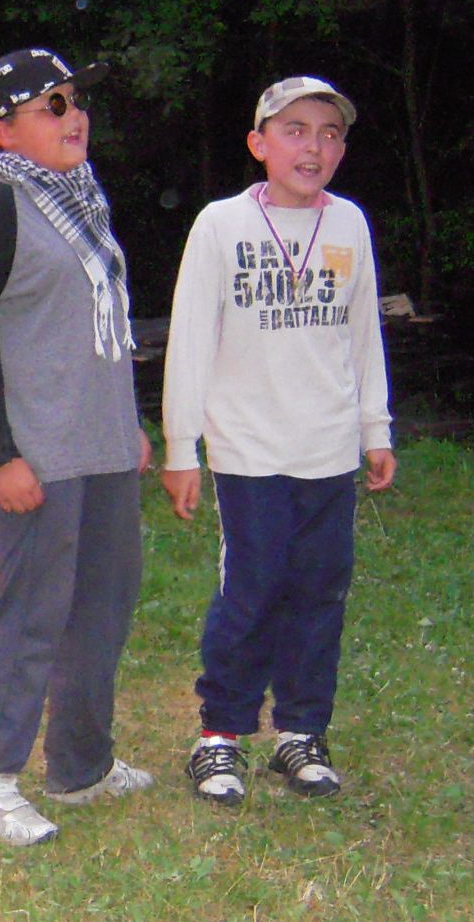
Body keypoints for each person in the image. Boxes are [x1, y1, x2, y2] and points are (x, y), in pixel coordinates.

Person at [0, 47, 154, 847]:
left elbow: (93, 332)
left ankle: (80, 766)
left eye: (76, 101)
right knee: (29, 618)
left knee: (102, 606)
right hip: (35, 454)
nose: (74, 116)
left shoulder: (81, 202)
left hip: (100, 445)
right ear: (2, 130)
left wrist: (128, 425)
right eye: (51, 105)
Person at [161, 75, 396, 805]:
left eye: (329, 133)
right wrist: (180, 447)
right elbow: (190, 338)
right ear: (258, 144)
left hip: (327, 446)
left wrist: (375, 426)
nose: (313, 146)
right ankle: (219, 736)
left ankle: (301, 732)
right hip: (248, 450)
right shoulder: (221, 225)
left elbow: (363, 332)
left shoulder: (349, 223)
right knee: (252, 588)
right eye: (294, 130)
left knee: (319, 591)